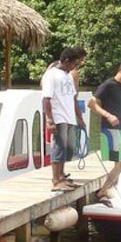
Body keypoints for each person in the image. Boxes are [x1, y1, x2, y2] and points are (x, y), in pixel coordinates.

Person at [89, 62, 121, 208]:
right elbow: (91, 103)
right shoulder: (108, 85)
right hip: (110, 129)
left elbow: (120, 104)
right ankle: (101, 193)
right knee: (120, 164)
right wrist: (108, 115)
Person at [42, 47, 87, 191]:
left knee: (68, 149)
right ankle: (56, 180)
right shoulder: (52, 75)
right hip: (59, 116)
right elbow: (46, 98)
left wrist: (79, 117)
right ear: (67, 61)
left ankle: (62, 177)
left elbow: (73, 98)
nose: (76, 66)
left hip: (69, 117)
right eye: (75, 63)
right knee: (59, 147)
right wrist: (50, 120)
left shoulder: (68, 75)